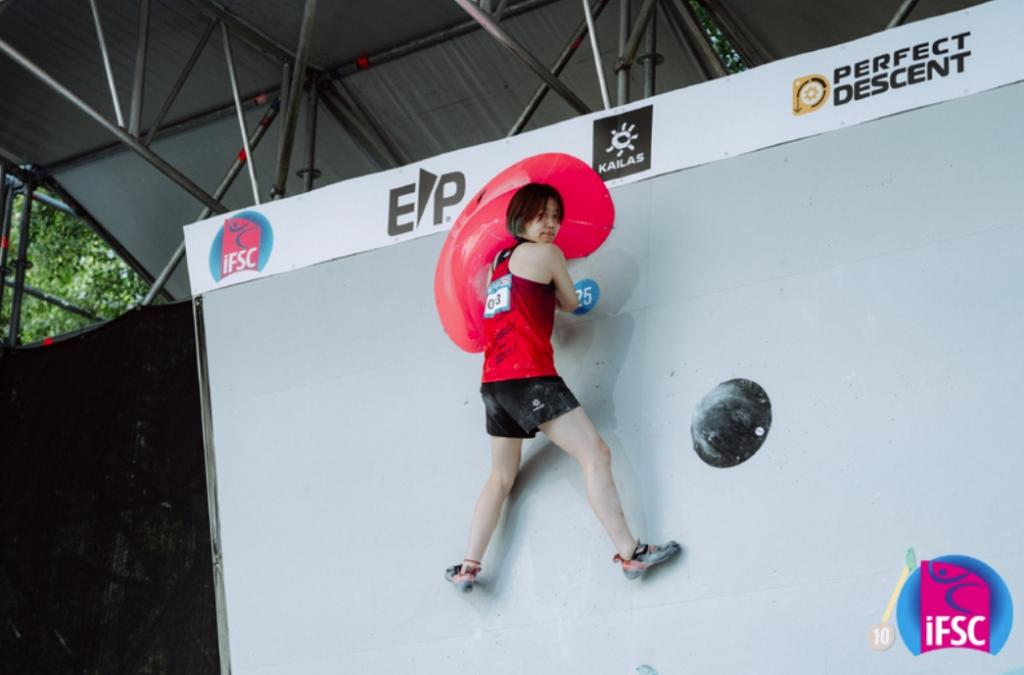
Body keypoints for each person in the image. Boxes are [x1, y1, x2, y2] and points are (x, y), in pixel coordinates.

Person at [445, 182, 680, 592]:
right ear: (521, 218)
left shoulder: (499, 262)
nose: (550, 225)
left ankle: (468, 566)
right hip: (530, 377)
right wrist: (561, 287)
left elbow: (521, 301)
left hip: (494, 386)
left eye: (555, 217)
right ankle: (631, 552)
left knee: (500, 477)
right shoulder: (550, 255)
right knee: (595, 453)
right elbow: (571, 302)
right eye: (541, 215)